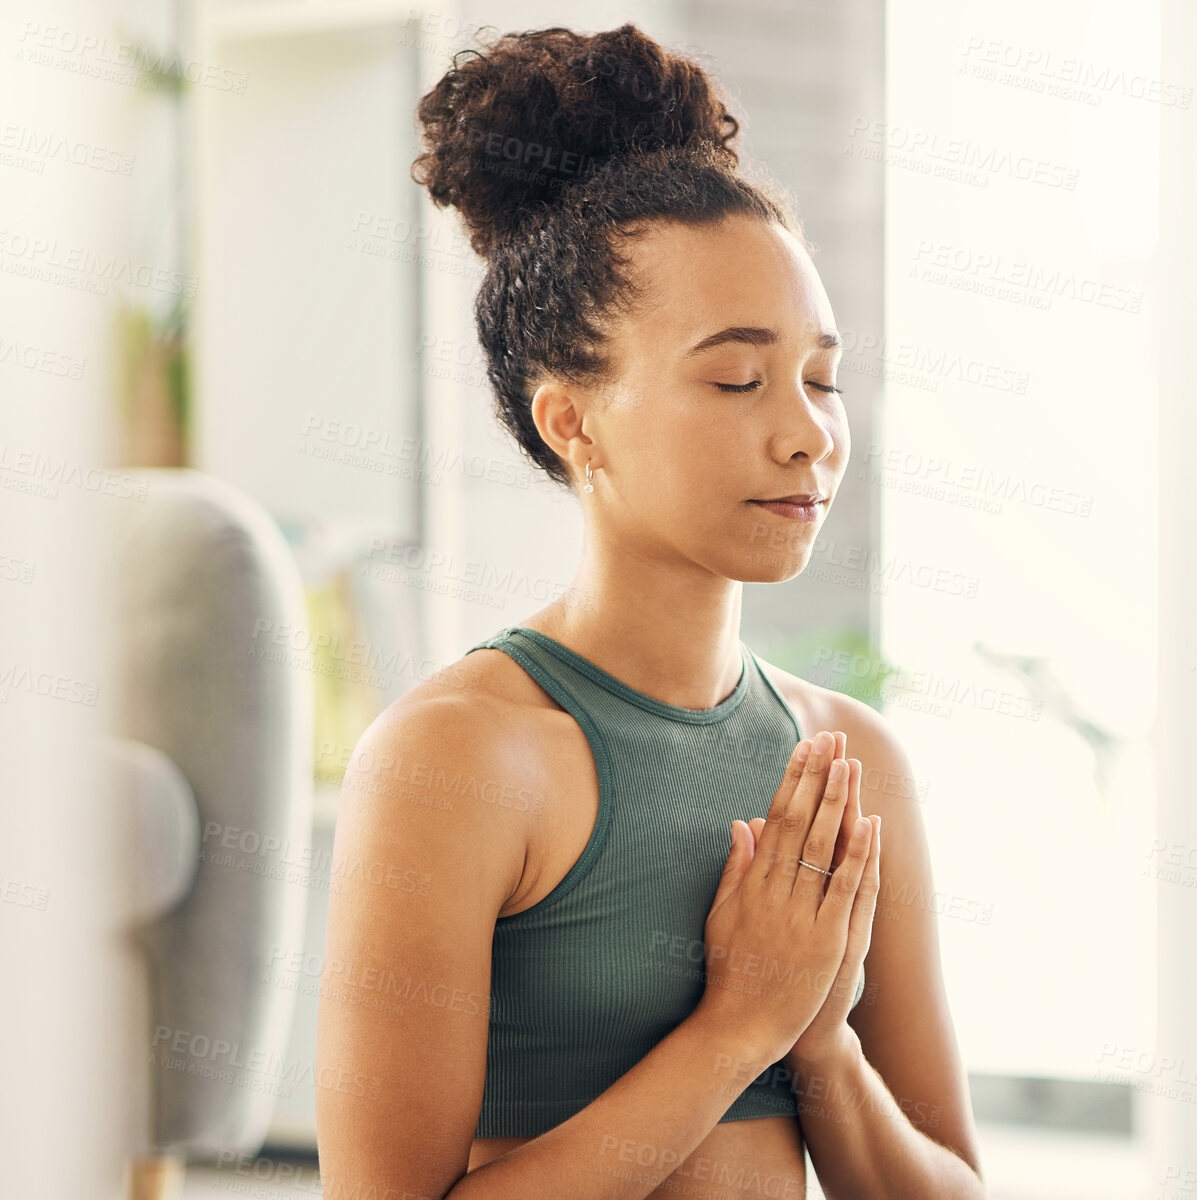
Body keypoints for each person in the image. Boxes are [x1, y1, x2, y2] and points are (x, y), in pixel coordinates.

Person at [313, 22, 984, 1200]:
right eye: (735, 378)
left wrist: (817, 1042)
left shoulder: (850, 763)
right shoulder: (455, 757)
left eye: (820, 378)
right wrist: (737, 1029)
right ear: (572, 420)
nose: (807, 433)